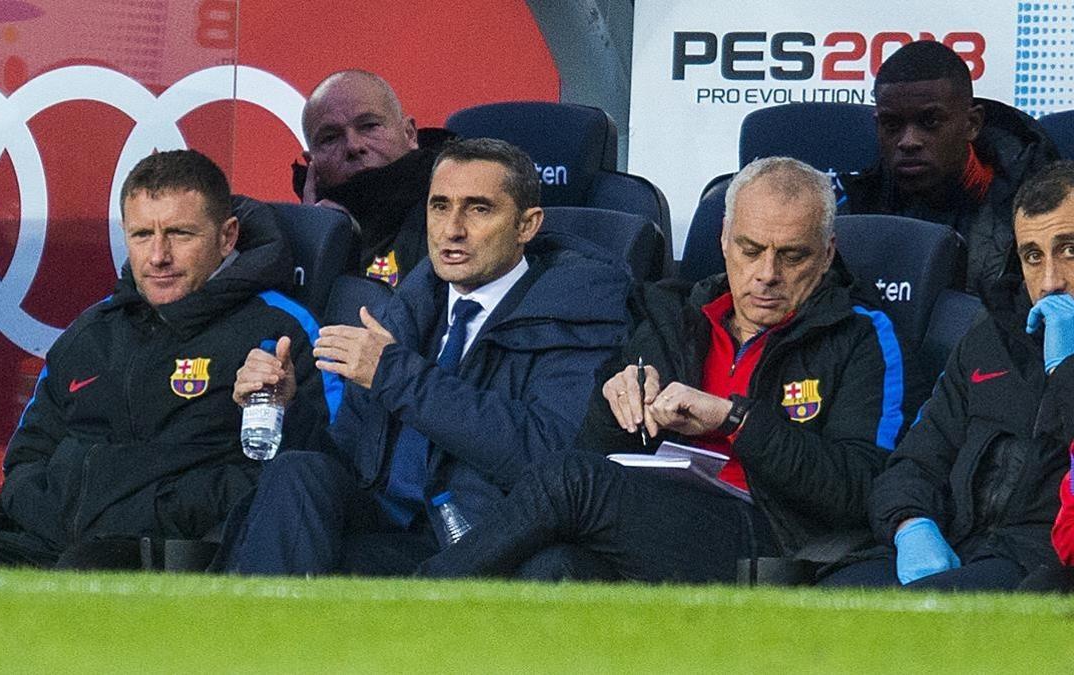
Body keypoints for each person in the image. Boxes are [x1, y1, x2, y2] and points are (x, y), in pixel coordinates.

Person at [418, 156, 909, 583]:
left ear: (826, 255)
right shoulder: (675, 315)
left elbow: (861, 489)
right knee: (553, 568)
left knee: (573, 480)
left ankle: (416, 600)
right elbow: (599, 451)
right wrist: (615, 405)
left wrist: (732, 420)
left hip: (773, 539)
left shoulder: (859, 334)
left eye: (792, 256)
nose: (766, 274)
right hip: (660, 522)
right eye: (751, 249)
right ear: (723, 240)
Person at [0, 149, 330, 570]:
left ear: (227, 236)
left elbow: (305, 476)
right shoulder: (89, 333)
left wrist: (158, 513)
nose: (158, 256)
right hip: (50, 542)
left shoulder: (280, 330)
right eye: (142, 234)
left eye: (179, 234)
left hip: (172, 551)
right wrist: (55, 513)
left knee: (88, 566)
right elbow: (26, 459)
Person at [219, 138, 633, 576]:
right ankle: (256, 639)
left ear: (527, 226)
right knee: (297, 472)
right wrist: (287, 409)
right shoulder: (412, 305)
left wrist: (397, 374)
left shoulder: (576, 309)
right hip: (389, 530)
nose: (452, 229)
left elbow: (547, 456)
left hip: (485, 542)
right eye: (439, 206)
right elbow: (346, 457)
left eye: (478, 209)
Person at [822, 160, 1074, 591]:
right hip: (957, 543)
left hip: (1040, 566)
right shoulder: (989, 340)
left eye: (1069, 250)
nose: (1049, 281)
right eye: (1032, 256)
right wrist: (910, 524)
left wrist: (1066, 370)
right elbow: (914, 461)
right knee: (825, 601)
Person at [838, 40, 1060, 297]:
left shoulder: (1043, 208)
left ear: (972, 124)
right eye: (891, 125)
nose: (908, 141)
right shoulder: (855, 204)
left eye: (930, 121)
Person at [293, 69, 456, 286]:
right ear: (311, 164)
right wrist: (314, 241)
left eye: (369, 126)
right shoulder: (291, 240)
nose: (353, 146)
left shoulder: (456, 209)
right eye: (330, 138)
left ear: (410, 134)